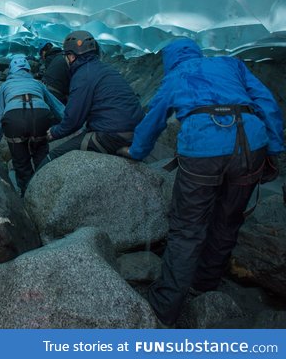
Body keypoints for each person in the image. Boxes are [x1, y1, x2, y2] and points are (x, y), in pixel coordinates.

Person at [122, 38, 284, 327]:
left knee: (187, 230)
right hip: (250, 145)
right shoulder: (230, 63)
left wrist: (136, 152)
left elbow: (155, 118)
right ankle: (206, 284)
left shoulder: (176, 75)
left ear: (170, 59)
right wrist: (273, 149)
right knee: (228, 220)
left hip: (203, 150)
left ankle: (164, 308)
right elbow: (266, 102)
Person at [38, 30, 144, 168]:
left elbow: (73, 120)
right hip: (138, 130)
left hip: (113, 133)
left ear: (71, 56)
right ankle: (119, 151)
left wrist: (53, 132)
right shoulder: (106, 69)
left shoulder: (82, 76)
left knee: (53, 157)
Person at [0, 55, 65, 197]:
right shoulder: (38, 83)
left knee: (21, 161)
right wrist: (70, 125)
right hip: (40, 117)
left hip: (14, 119)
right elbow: (58, 107)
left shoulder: (5, 86)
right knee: (40, 154)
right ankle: (44, 190)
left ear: (11, 71)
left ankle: (27, 194)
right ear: (28, 69)